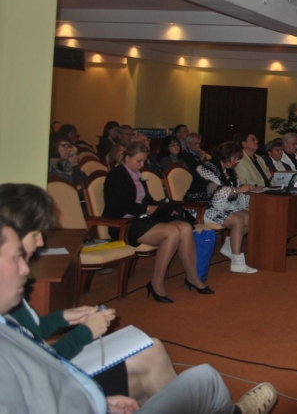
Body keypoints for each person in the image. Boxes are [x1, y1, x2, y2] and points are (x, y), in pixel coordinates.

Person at [0, 219, 278, 414]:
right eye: (15, 258)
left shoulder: (6, 321)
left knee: (153, 349)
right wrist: (85, 334)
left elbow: (36, 348)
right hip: (73, 392)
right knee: (206, 379)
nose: (25, 269)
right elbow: (45, 372)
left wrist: (63, 317)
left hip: (77, 394)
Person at [0, 183, 177, 401]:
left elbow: (31, 331)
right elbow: (36, 365)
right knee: (150, 361)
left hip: (49, 373)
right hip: (48, 381)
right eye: (36, 233)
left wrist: (63, 316)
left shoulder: (11, 280)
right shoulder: (7, 285)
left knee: (150, 357)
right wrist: (85, 333)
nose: (41, 241)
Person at [103, 142, 213, 302]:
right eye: (138, 161)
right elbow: (120, 206)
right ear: (127, 158)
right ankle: (156, 283)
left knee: (185, 227)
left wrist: (163, 207)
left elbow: (147, 200)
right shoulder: (116, 175)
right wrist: (149, 208)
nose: (142, 165)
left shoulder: (137, 174)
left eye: (143, 161)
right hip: (124, 224)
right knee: (172, 232)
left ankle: (192, 276)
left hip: (142, 219)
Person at [194, 142, 257, 274]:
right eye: (234, 158)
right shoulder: (205, 168)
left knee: (250, 217)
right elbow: (215, 192)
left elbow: (234, 191)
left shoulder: (229, 170)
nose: (235, 162)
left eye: (237, 159)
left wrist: (248, 189)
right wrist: (239, 190)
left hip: (220, 204)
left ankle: (229, 247)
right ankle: (237, 262)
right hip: (202, 206)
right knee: (238, 220)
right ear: (225, 155)